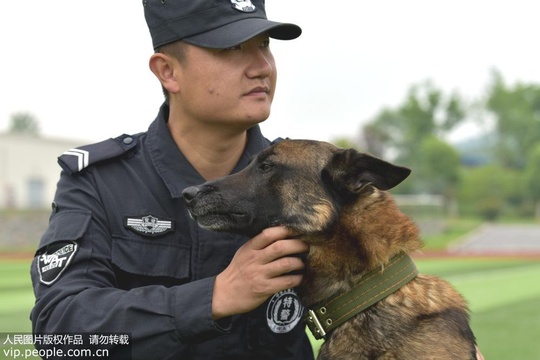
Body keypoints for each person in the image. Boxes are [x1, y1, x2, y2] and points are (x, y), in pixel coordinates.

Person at [30, 1, 313, 359]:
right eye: (230, 48)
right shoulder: (102, 183)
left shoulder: (303, 182)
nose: (261, 67)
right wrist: (215, 296)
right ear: (168, 72)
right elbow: (60, 330)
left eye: (264, 45)